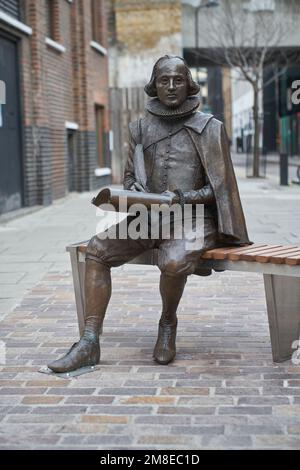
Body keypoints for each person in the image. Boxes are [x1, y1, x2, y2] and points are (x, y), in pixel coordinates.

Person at [48, 55, 250, 373]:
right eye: (164, 80)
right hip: (149, 218)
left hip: (195, 219)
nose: (171, 86)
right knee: (97, 249)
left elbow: (220, 190)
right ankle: (89, 341)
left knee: (173, 262)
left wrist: (182, 197)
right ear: (154, 86)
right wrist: (135, 191)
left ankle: (167, 322)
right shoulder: (140, 128)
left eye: (178, 80)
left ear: (189, 85)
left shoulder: (209, 128)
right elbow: (130, 178)